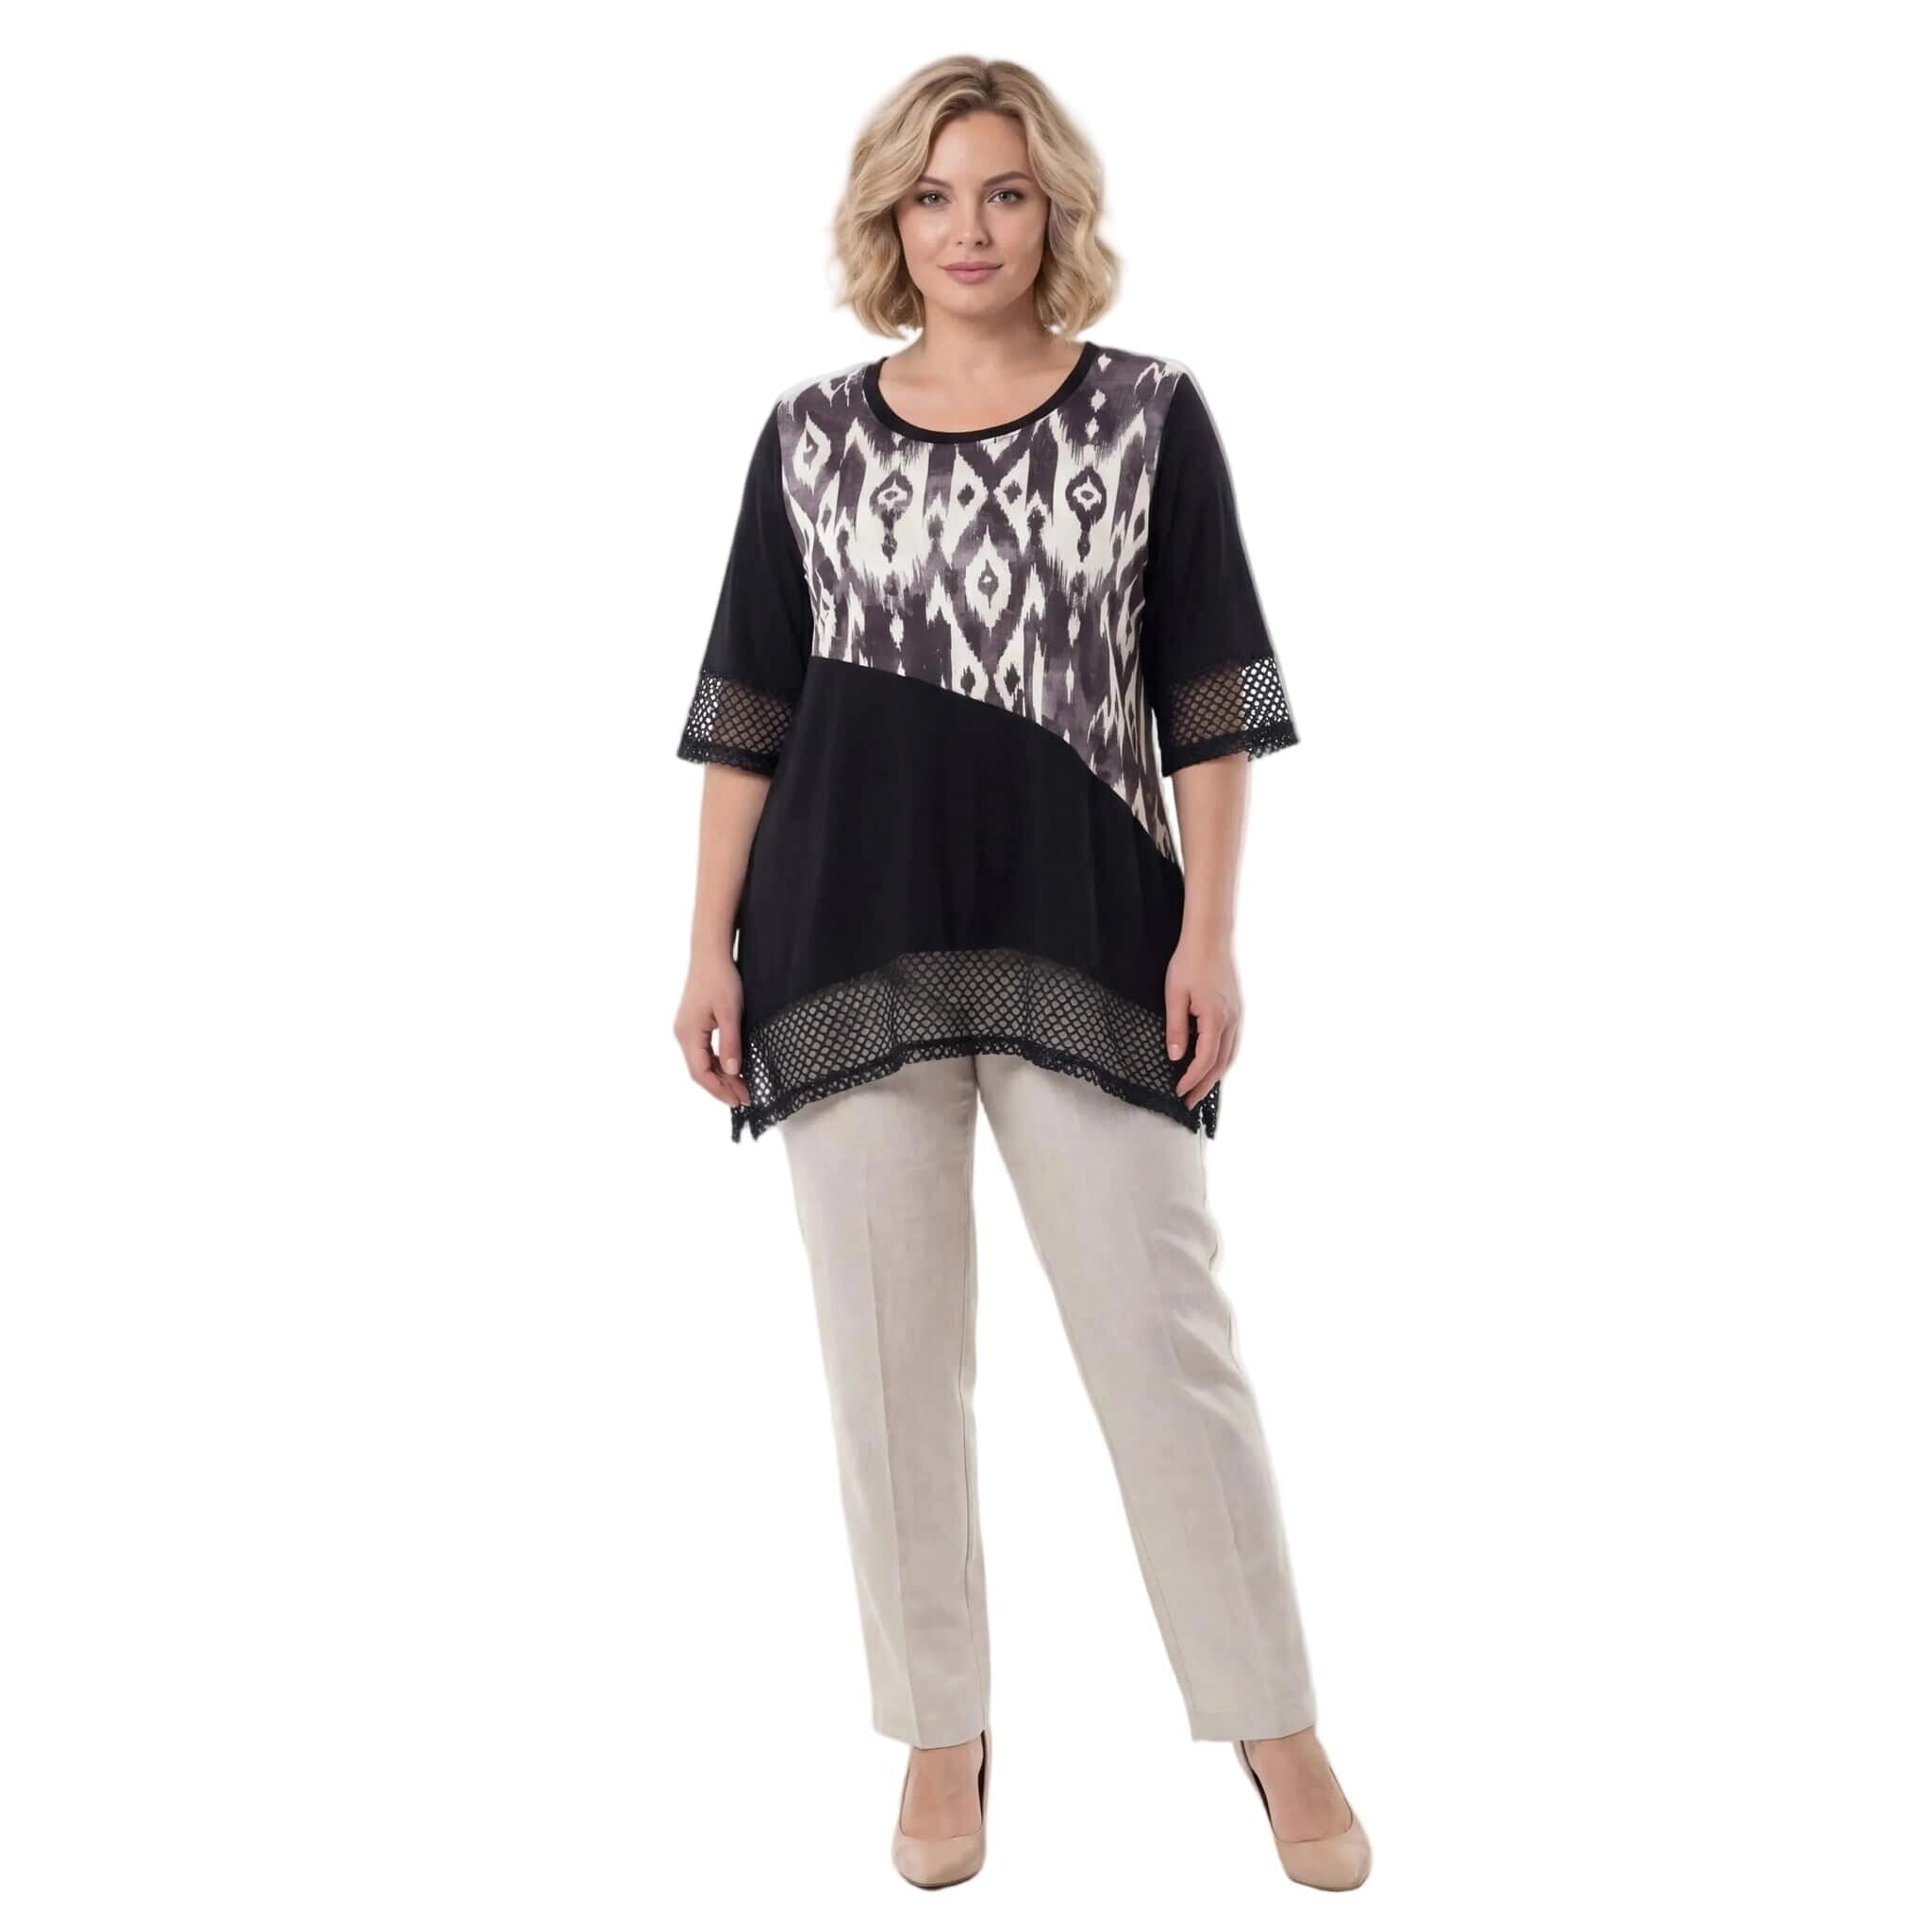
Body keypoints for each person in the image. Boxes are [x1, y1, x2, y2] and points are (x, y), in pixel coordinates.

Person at [672, 55, 1371, 1894]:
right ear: (887, 221)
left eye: (1000, 192)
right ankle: (940, 1731)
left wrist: (1211, 930)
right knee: (888, 1364)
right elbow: (749, 706)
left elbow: (1208, 696)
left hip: (1088, 927)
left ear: (1052, 210)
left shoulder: (1148, 418)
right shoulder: (806, 437)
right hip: (845, 935)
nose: (965, 229)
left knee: (1163, 1342)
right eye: (931, 196)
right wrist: (702, 946)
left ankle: (1275, 1722)